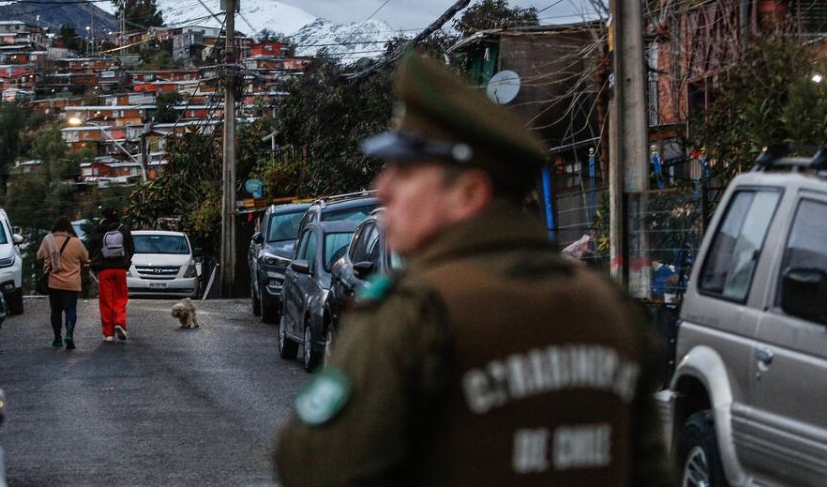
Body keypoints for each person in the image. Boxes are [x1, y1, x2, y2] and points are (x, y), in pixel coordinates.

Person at [273, 53, 673, 486]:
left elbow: (311, 463)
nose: (382, 188)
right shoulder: (608, 308)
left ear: (468, 193)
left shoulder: (416, 312)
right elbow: (649, 471)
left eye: (405, 172)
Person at [37, 217, 88, 349]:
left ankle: (57, 338)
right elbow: (85, 257)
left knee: (56, 311)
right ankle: (69, 334)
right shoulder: (76, 242)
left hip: (54, 283)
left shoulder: (48, 240)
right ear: (69, 228)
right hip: (71, 284)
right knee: (70, 309)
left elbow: (39, 256)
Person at [90, 207, 134, 342]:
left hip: (104, 270)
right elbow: (131, 248)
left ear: (104, 216)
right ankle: (120, 323)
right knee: (121, 297)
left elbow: (91, 247)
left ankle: (108, 333)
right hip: (120, 269)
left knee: (106, 301)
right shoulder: (124, 229)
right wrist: (125, 262)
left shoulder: (99, 230)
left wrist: (95, 263)